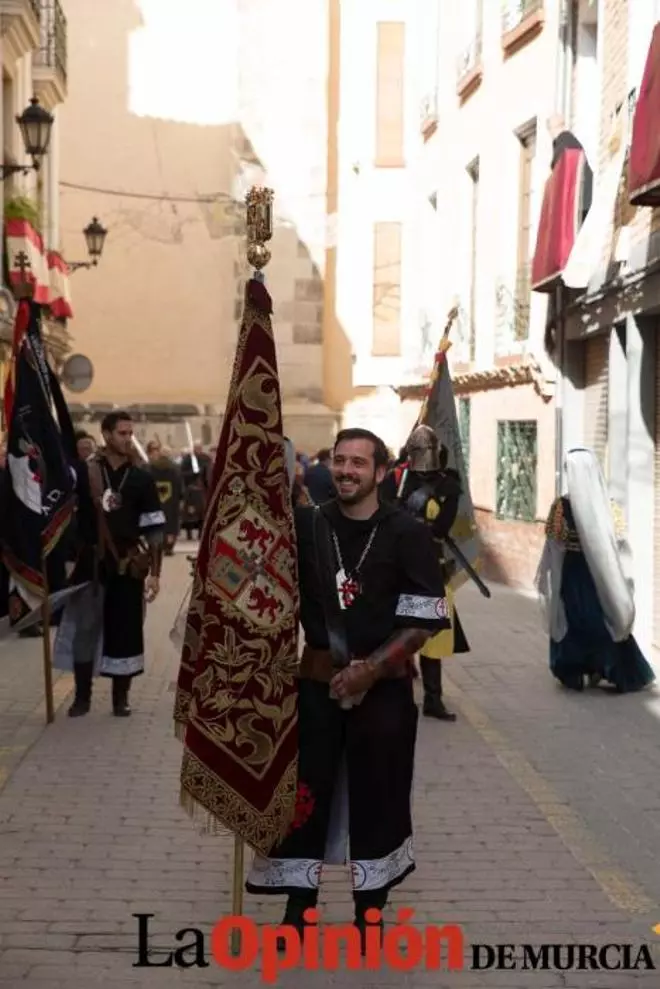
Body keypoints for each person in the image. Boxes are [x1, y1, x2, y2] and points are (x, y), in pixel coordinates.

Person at [245, 427, 451, 948]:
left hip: (382, 694)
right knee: (304, 795)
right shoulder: (306, 525)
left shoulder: (406, 533)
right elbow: (262, 589)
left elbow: (424, 619)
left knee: (377, 795)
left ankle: (370, 911)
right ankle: (298, 910)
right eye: (339, 461)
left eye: (359, 463)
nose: (346, 471)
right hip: (313, 688)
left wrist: (372, 668)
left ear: (381, 472)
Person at [53, 410, 165, 717]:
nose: (128, 439)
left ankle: (120, 698)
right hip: (91, 563)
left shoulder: (141, 478)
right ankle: (82, 697)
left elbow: (154, 527)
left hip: (128, 563)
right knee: (86, 629)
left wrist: (155, 573)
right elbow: (59, 505)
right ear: (105, 434)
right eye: (122, 433)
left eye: (131, 434)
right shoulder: (84, 472)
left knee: (125, 629)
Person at [536, 446, 655, 694]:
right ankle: (598, 668)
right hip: (597, 575)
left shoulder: (564, 507)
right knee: (597, 619)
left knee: (580, 618)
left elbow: (553, 547)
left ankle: (579, 670)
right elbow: (621, 549)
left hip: (579, 574)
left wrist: (551, 579)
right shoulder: (607, 507)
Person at [380, 424, 468, 721]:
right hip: (399, 565)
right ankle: (395, 695)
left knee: (432, 634)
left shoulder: (447, 484)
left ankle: (433, 698)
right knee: (397, 631)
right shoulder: (396, 479)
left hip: (431, 567)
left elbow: (443, 527)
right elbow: (384, 515)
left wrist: (412, 524)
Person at [145, 440, 182, 555]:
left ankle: (156, 545)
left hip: (155, 499)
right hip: (172, 500)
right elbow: (180, 484)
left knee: (156, 523)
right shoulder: (175, 468)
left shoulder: (150, 468)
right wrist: (181, 498)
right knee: (171, 523)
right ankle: (169, 547)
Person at [180, 441, 211, 540]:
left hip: (202, 490)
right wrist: (192, 473)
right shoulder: (187, 459)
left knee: (202, 514)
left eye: (199, 448)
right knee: (189, 514)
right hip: (190, 490)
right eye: (196, 448)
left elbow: (209, 473)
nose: (198, 450)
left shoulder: (206, 458)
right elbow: (182, 473)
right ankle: (189, 534)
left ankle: (201, 533)